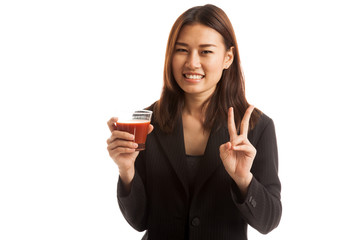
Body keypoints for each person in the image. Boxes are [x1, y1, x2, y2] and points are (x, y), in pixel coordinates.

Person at [106, 4, 281, 240]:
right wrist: (126, 171)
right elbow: (140, 221)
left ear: (228, 57)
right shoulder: (147, 124)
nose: (192, 62)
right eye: (182, 50)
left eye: (206, 51)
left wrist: (244, 180)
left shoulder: (256, 127)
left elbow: (268, 222)